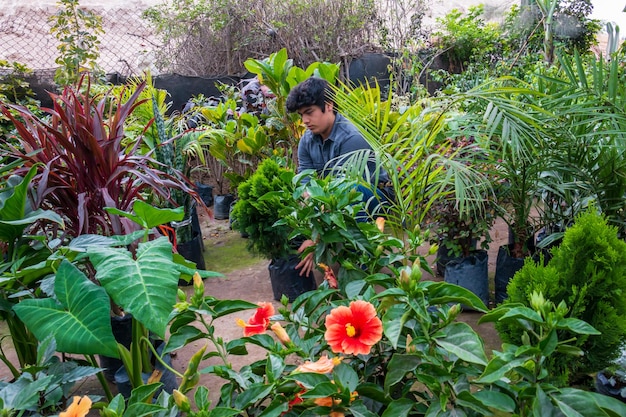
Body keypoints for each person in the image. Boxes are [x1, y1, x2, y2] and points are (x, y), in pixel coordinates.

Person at [285, 77, 389, 277]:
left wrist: (315, 240)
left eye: (309, 113)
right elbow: (305, 183)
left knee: (355, 195)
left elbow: (345, 194)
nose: (305, 121)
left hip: (375, 197)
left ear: (329, 105)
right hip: (334, 196)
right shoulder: (306, 141)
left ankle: (365, 259)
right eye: (301, 115)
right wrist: (308, 227)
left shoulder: (351, 138)